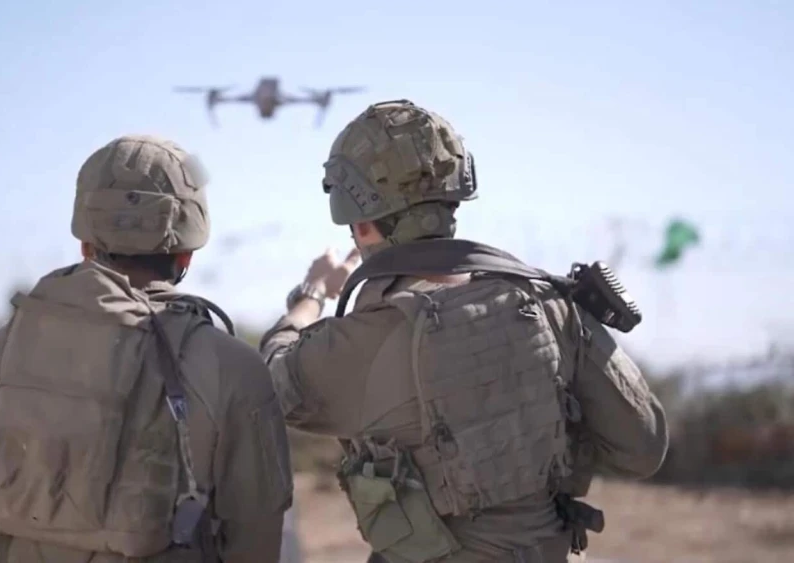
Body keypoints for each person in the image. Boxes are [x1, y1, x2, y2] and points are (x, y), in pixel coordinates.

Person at [260, 100, 669, 562]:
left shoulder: (370, 333)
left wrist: (311, 295)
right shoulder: (549, 301)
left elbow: (272, 382)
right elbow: (643, 446)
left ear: (363, 221)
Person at [0, 135, 293, 563]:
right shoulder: (232, 367)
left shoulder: (8, 346)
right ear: (186, 253)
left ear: (85, 243)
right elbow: (256, 541)